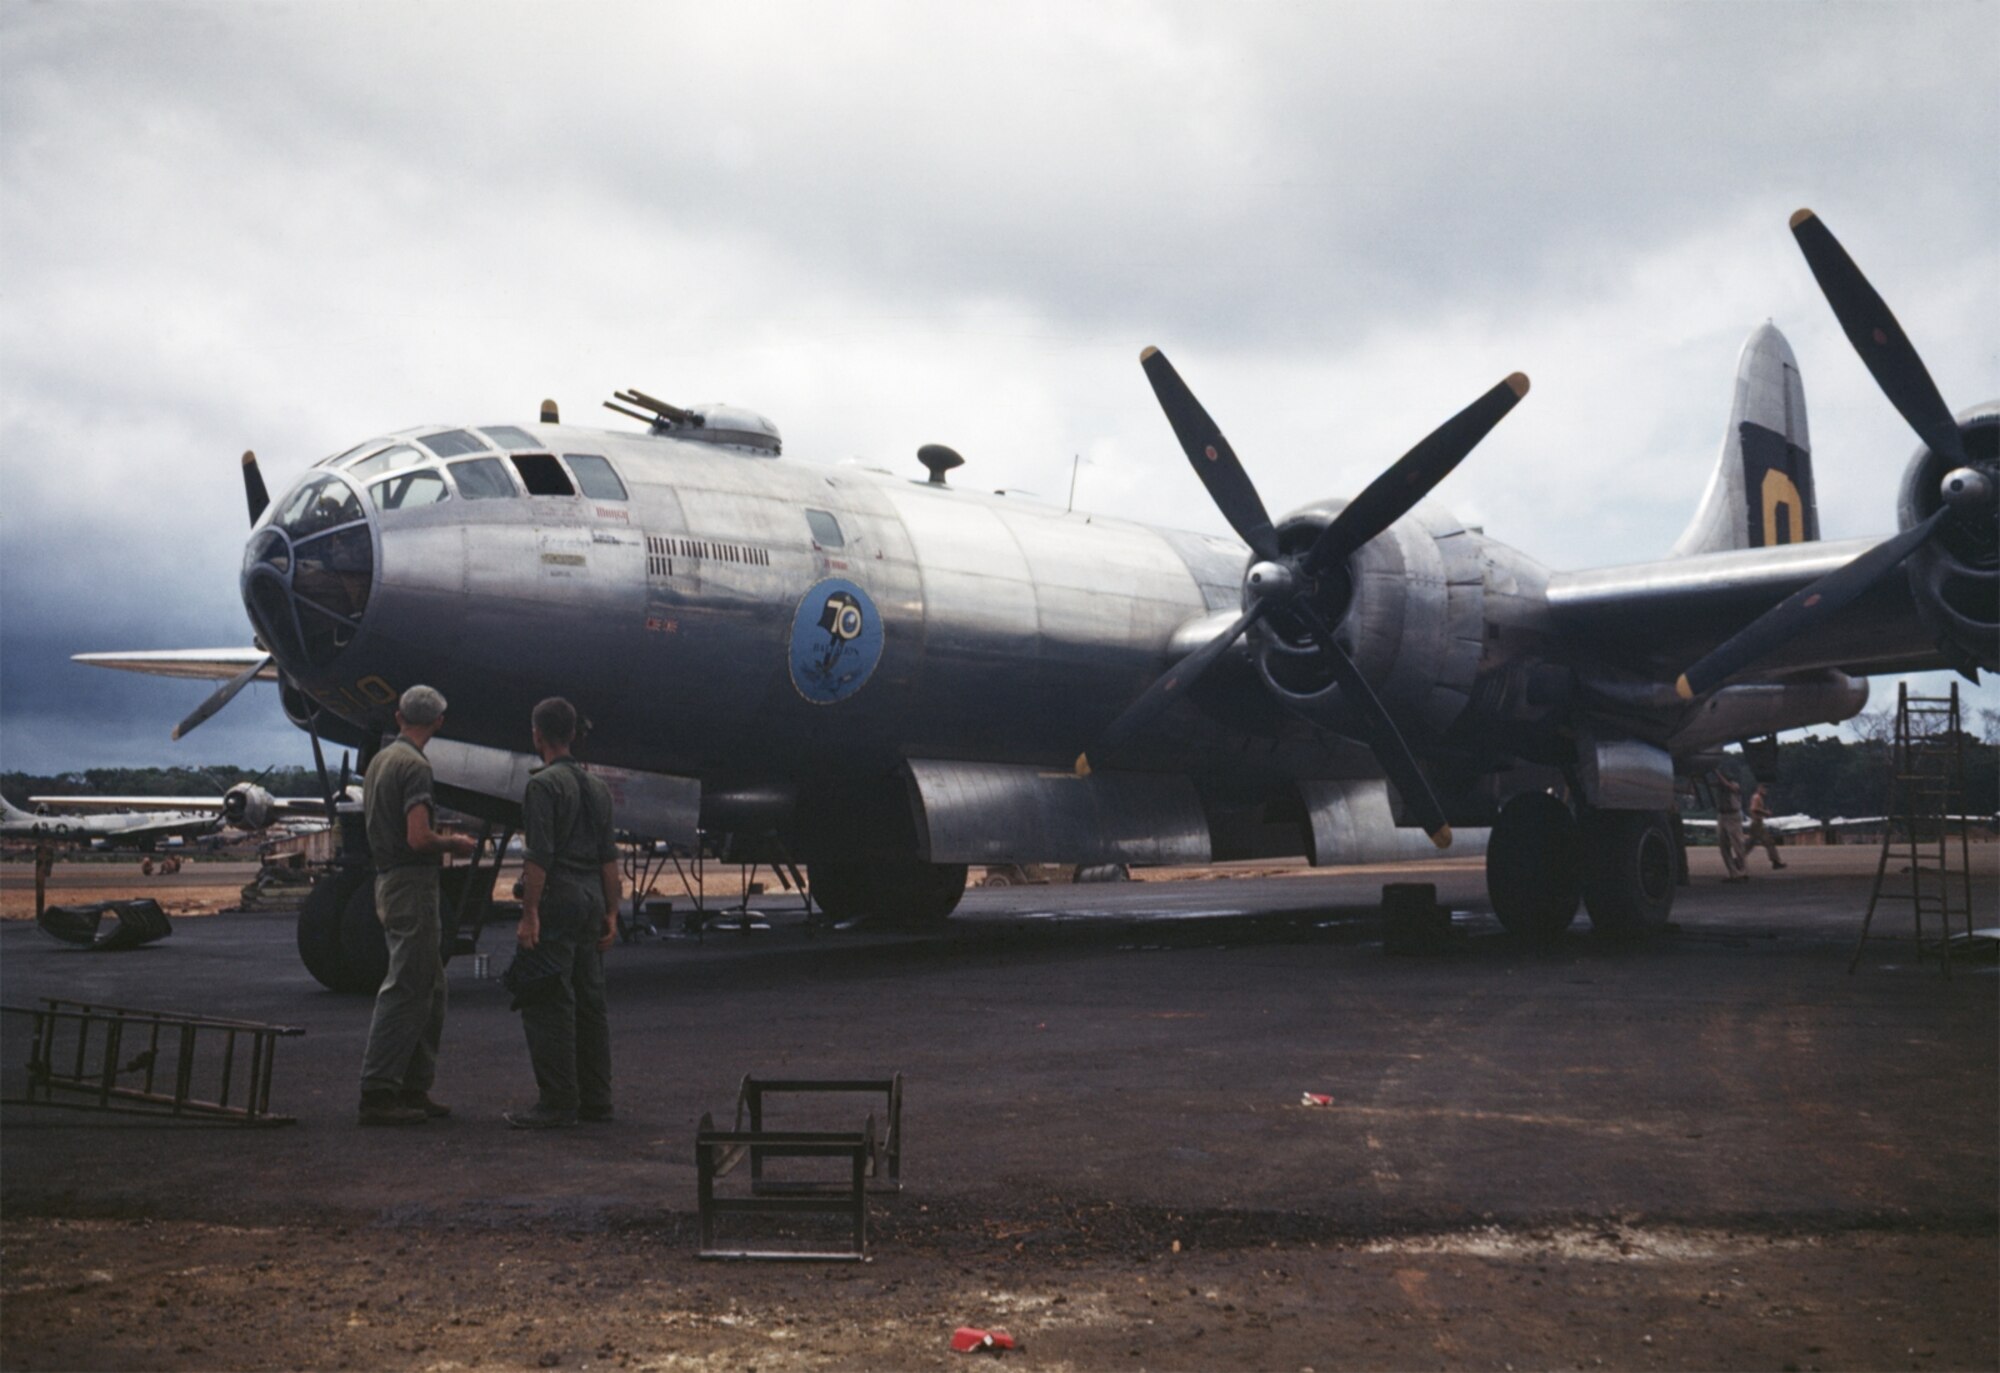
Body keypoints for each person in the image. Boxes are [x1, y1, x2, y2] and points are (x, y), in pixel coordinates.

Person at [358, 685, 477, 1127]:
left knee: (432, 987)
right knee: (408, 985)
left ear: (398, 716)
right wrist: (456, 843)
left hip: (389, 880)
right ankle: (378, 1090)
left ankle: (412, 1086)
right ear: (440, 722)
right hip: (412, 883)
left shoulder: (382, 761)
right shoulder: (415, 767)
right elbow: (418, 838)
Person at [507, 697, 622, 1130]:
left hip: (560, 899)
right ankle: (598, 1099)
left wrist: (529, 913)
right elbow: (609, 858)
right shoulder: (598, 787)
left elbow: (539, 857)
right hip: (593, 898)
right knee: (591, 1002)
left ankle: (558, 1101)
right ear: (573, 734)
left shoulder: (543, 786)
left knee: (547, 999)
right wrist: (612, 911)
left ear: (537, 735)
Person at [1712, 769, 1748, 883]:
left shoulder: (1734, 786)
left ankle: (1743, 871)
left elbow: (1728, 786)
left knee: (1737, 844)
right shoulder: (1722, 786)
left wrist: (1716, 772)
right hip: (1722, 815)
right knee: (1723, 845)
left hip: (1733, 815)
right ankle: (1733, 873)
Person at [1747, 783, 1788, 870]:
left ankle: (1737, 860)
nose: (1766, 791)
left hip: (1757, 823)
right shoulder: (1757, 797)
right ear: (1759, 788)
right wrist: (1765, 812)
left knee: (1750, 844)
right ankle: (1775, 862)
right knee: (1769, 842)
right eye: (1764, 788)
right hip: (1757, 824)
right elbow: (1753, 808)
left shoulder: (1758, 797)